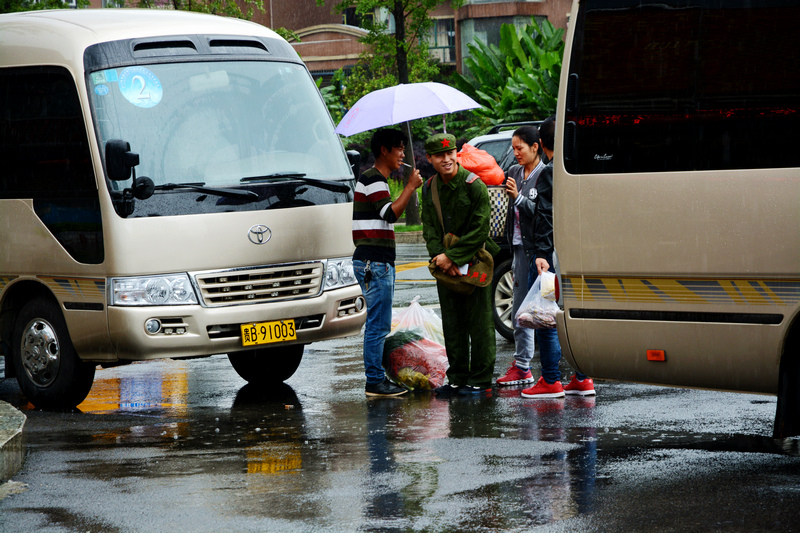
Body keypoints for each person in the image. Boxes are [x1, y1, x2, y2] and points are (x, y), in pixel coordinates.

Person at [520, 118, 595, 398]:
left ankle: (551, 380)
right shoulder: (577, 170)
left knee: (546, 316)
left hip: (553, 257)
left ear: (542, 143)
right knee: (575, 314)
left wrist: (541, 254)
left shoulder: (551, 173)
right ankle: (582, 378)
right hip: (579, 254)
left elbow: (546, 217)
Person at [421, 133, 500, 396]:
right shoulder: (429, 187)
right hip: (445, 266)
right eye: (440, 155)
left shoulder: (473, 184)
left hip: (475, 262)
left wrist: (452, 257)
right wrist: (441, 259)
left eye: (450, 153)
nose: (446, 159)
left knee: (479, 323)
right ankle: (456, 378)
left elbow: (480, 230)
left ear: (456, 153)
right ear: (430, 159)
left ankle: (480, 380)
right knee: (452, 324)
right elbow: (429, 227)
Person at [353, 128, 423, 397]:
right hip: (375, 262)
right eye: (399, 148)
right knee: (378, 325)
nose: (403, 154)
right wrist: (410, 187)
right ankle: (374, 380)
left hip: (376, 261)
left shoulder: (374, 179)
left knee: (378, 323)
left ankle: (376, 378)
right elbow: (390, 214)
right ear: (384, 150)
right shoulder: (373, 179)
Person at [495, 126, 546, 389]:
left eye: (520, 148)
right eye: (513, 148)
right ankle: (523, 366)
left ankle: (539, 369)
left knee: (538, 311)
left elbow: (540, 214)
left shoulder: (544, 175)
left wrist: (517, 198)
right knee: (520, 310)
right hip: (516, 247)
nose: (515, 153)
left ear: (535, 147)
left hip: (537, 250)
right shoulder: (514, 172)